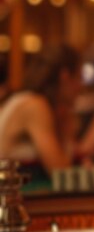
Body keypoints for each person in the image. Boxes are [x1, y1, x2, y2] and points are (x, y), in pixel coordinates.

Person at [0, 44, 81, 179]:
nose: (81, 86)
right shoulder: (35, 105)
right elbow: (60, 173)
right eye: (79, 77)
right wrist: (67, 131)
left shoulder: (28, 99)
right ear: (65, 76)